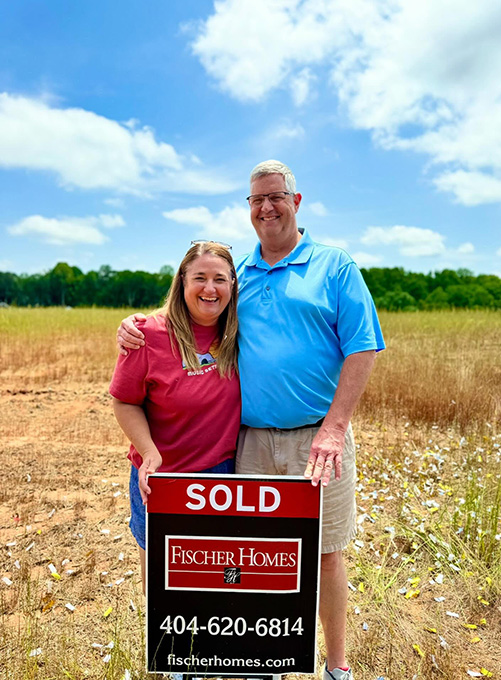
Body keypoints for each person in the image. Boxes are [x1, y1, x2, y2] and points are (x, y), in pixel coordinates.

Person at [118, 161, 385, 680]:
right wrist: (134, 325)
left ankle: (336, 667)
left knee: (326, 554)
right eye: (256, 199)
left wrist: (334, 428)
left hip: (319, 439)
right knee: (251, 560)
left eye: (276, 196)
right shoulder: (240, 271)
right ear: (248, 208)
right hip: (250, 442)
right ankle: (255, 662)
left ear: (297, 200)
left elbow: (363, 347)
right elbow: (194, 302)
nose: (267, 207)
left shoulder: (334, 266)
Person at [110, 241, 240, 593]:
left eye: (220, 279)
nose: (210, 289)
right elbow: (124, 401)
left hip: (220, 476)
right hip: (161, 478)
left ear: (233, 285)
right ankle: (164, 649)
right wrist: (149, 451)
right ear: (182, 281)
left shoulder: (240, 332)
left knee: (216, 576)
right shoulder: (147, 334)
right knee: (162, 582)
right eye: (200, 278)